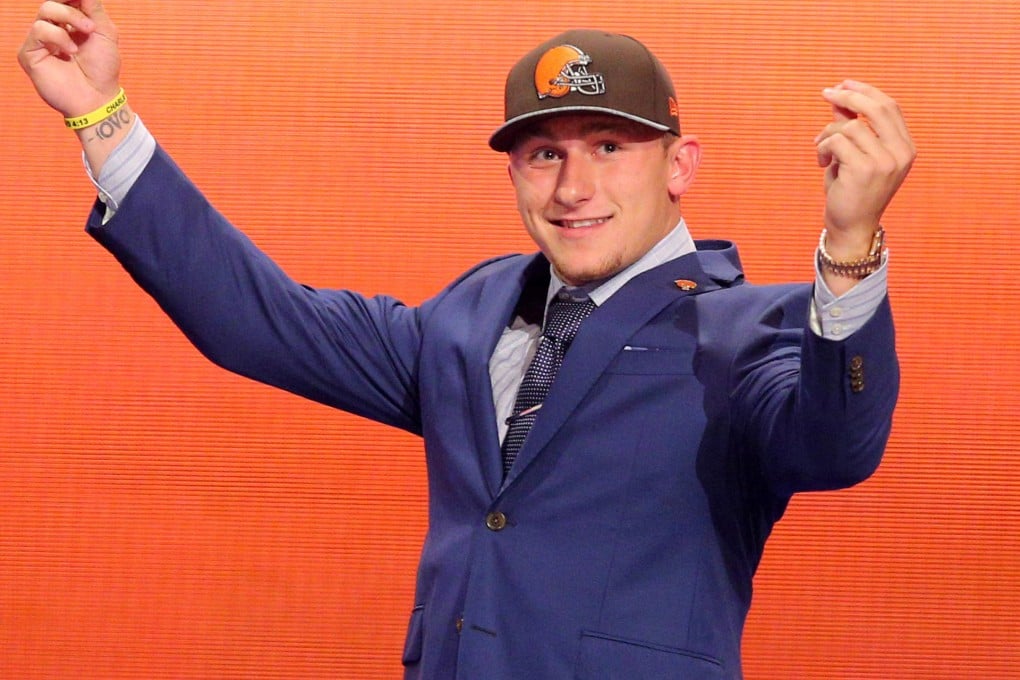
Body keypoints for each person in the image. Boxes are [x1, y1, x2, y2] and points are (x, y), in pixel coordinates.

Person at [19, 2, 914, 678]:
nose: (574, 186)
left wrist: (848, 250)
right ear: (515, 171)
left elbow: (836, 447)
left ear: (681, 166)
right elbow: (258, 320)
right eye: (544, 153)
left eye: (609, 146)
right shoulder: (467, 316)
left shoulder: (750, 331)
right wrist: (103, 121)